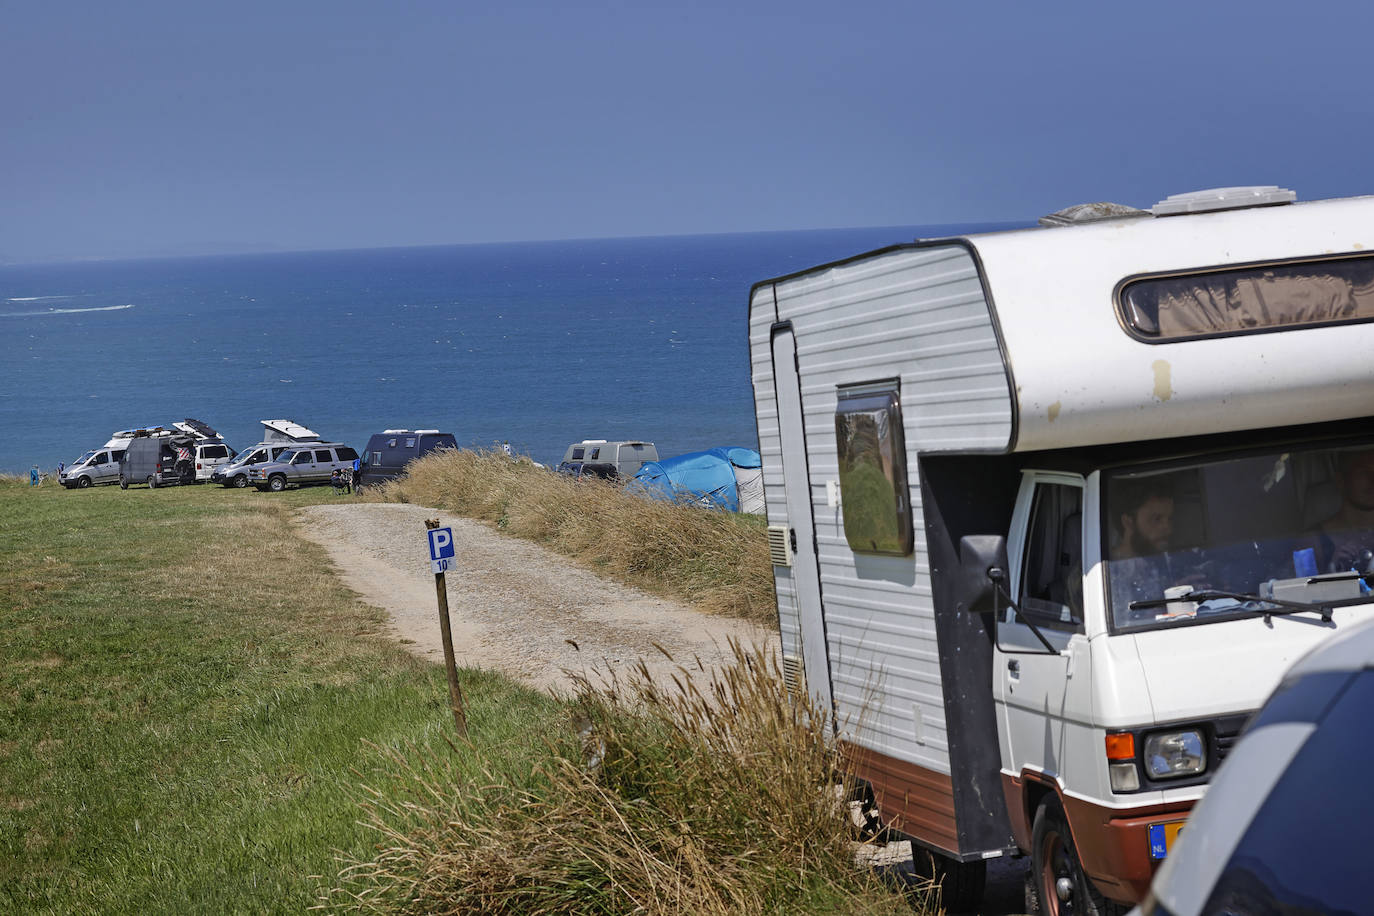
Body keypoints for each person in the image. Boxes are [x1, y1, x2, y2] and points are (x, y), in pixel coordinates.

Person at [1314, 449, 1374, 573]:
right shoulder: (1314, 540)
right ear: (1341, 480)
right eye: (1363, 473)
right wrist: (1333, 567)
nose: (1372, 479)